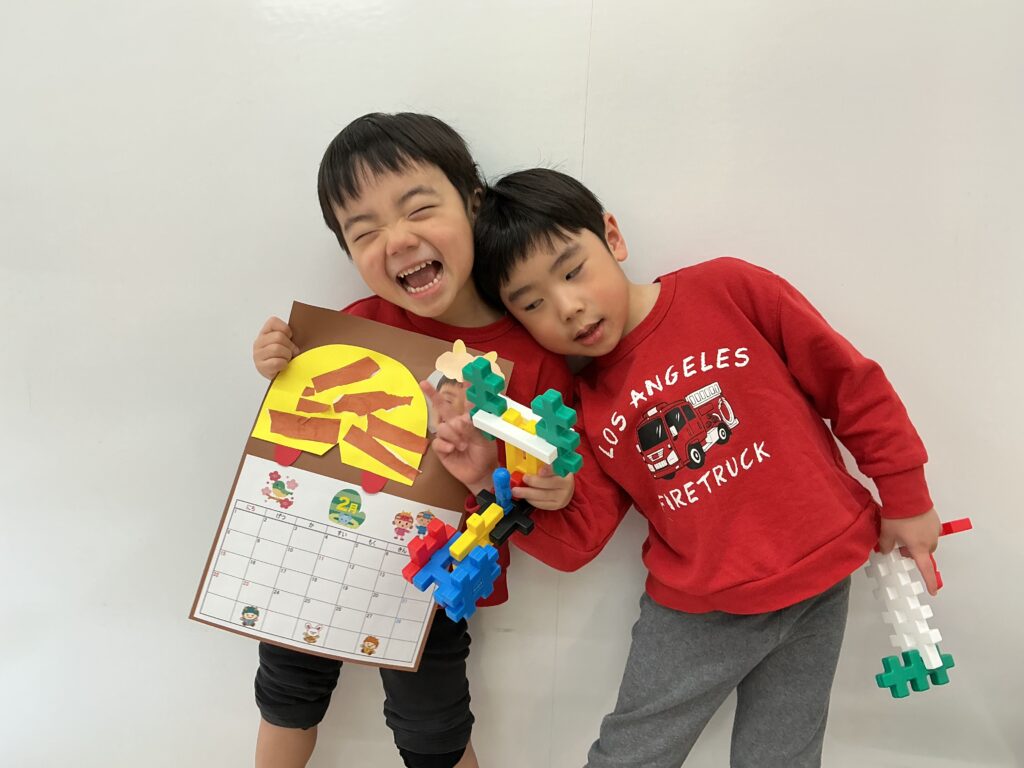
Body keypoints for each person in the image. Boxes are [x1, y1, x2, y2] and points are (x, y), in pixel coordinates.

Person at [437, 167, 942, 767]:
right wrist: (487, 483)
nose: (569, 307)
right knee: (631, 758)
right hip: (698, 612)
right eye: (533, 304)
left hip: (820, 579)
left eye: (573, 271)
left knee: (785, 758)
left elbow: (849, 384)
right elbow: (576, 542)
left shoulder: (727, 289)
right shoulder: (582, 406)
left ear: (612, 236)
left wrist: (906, 495)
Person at [249, 115, 572, 768]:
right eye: (363, 231)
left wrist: (551, 486)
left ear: (474, 204)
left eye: (419, 208)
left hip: (436, 583)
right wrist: (279, 364)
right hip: (321, 552)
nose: (396, 240)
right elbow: (304, 434)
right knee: (285, 694)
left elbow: (548, 483)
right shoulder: (351, 330)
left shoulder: (535, 356)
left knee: (434, 732)